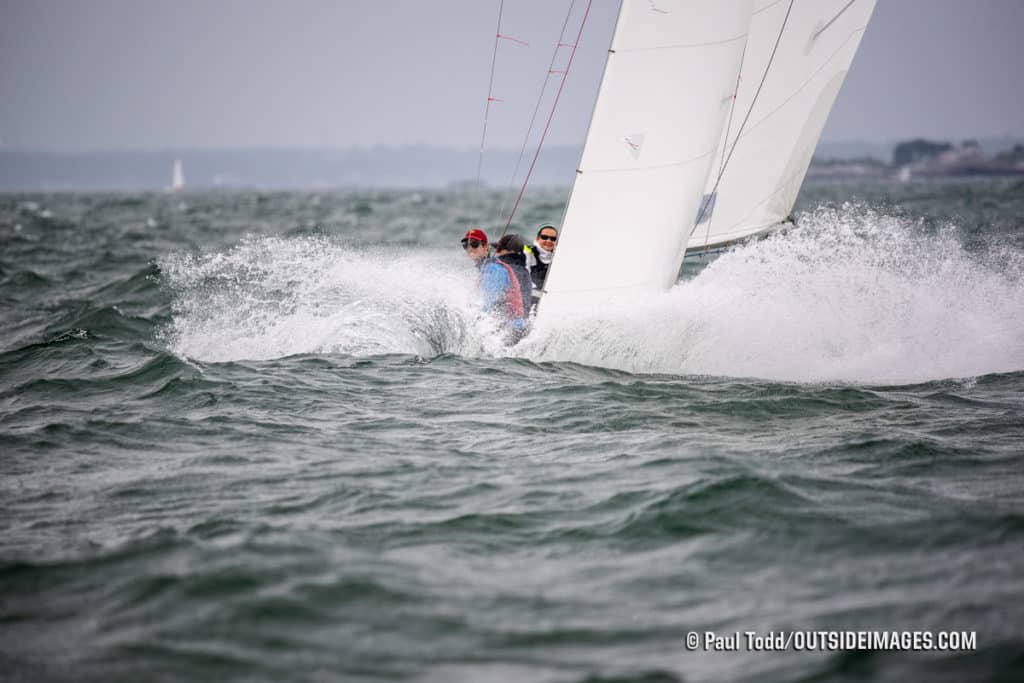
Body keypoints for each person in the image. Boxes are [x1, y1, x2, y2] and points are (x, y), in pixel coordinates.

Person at [479, 233, 532, 343]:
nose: (496, 253)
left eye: (499, 249)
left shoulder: (499, 269)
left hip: (507, 328)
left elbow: (491, 300)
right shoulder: (525, 272)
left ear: (507, 251)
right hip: (523, 326)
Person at [529, 223, 558, 291]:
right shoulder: (527, 252)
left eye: (553, 239)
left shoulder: (559, 256)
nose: (549, 241)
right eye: (544, 237)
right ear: (537, 238)